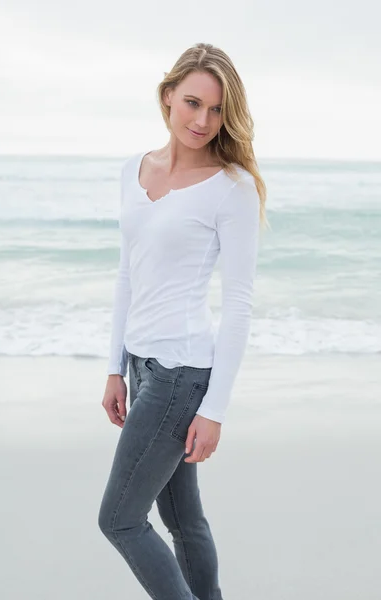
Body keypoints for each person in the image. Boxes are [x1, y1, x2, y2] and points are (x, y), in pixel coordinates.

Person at [98, 42, 267, 600]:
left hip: (180, 376)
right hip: (142, 369)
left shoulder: (232, 188)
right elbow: (127, 274)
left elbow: (239, 304)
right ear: (168, 96)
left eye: (216, 110)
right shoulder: (133, 170)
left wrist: (214, 409)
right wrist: (114, 369)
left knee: (120, 520)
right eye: (192, 102)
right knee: (183, 521)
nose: (202, 120)